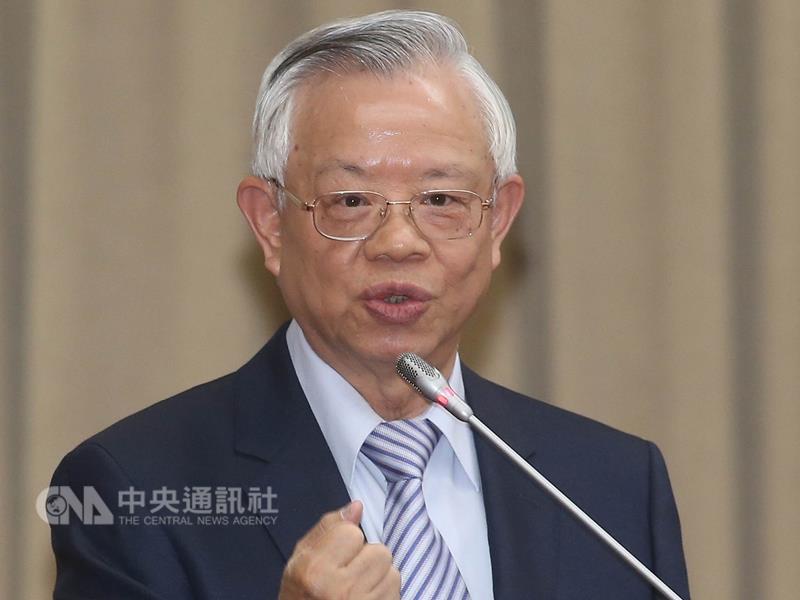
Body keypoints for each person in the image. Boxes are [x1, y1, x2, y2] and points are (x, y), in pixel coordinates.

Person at [48, 10, 690, 599]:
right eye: (350, 202)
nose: (399, 243)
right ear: (270, 224)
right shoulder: (131, 489)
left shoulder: (611, 486)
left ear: (498, 222)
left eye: (441, 200)